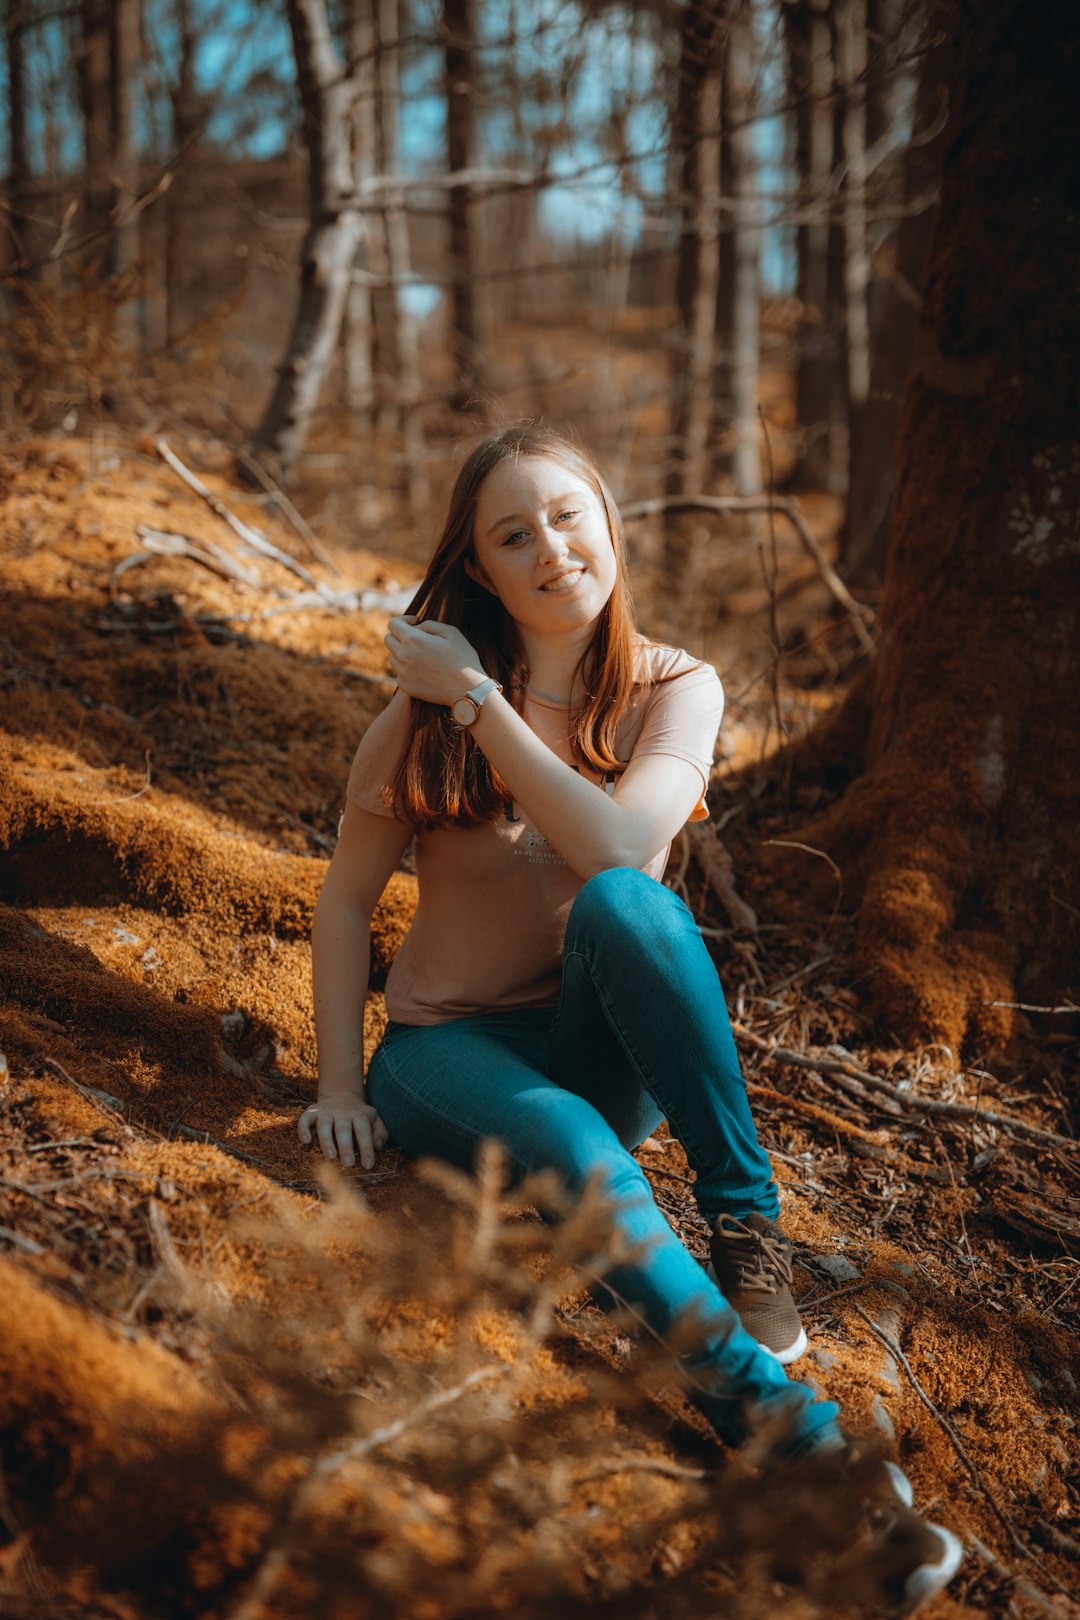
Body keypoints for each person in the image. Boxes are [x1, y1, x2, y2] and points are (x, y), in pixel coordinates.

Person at [299, 423, 962, 1611]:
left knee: (631, 904)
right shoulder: (412, 720)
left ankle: (748, 1228)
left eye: (566, 514)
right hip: (447, 1054)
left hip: (595, 1040)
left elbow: (617, 844)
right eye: (513, 534)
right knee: (571, 1149)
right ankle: (809, 1460)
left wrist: (484, 704)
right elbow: (345, 904)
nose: (550, 548)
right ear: (482, 571)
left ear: (609, 523)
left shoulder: (673, 686)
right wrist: (340, 1087)